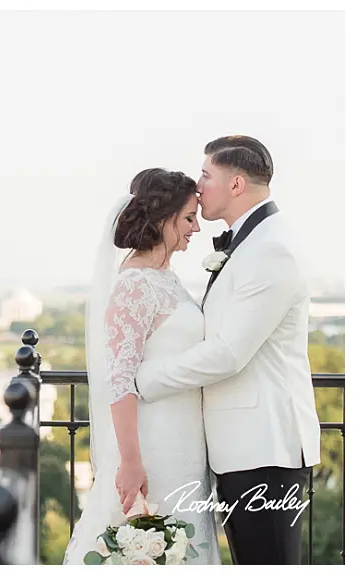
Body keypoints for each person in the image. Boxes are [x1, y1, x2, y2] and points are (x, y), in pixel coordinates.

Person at [134, 136, 321, 565]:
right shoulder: (251, 241)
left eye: (206, 175)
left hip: (264, 450)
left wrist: (145, 379)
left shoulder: (270, 248)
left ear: (236, 184)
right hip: (244, 447)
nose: (198, 188)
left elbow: (227, 353)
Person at [62, 167, 220, 565]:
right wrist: (131, 462)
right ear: (161, 218)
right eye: (188, 218)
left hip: (185, 442)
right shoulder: (135, 284)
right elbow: (118, 380)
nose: (196, 228)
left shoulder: (165, 277)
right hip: (154, 445)